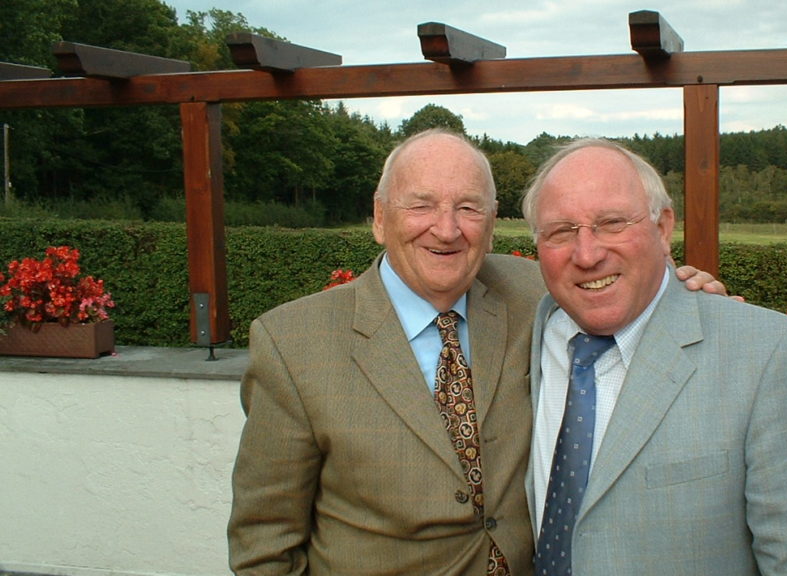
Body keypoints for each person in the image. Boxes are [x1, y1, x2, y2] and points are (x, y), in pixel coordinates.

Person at [227, 129, 725, 576]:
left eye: (469, 208)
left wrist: (683, 294)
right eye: (421, 205)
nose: (447, 229)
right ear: (380, 218)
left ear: (491, 223)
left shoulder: (539, 295)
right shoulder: (293, 342)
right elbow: (265, 541)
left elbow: (625, 284)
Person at [522, 138, 787, 576]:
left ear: (662, 228)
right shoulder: (533, 323)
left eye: (613, 223)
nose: (587, 254)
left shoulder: (768, 357)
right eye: (561, 232)